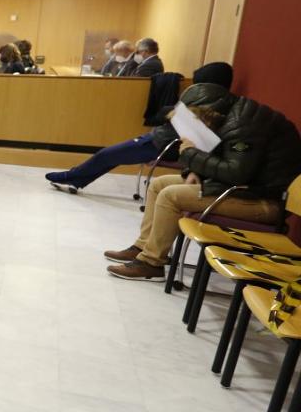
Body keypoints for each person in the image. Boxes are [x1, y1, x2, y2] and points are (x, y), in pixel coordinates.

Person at [105, 87, 301, 280]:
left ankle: (151, 263)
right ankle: (143, 247)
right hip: (239, 189)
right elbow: (221, 157)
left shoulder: (244, 126)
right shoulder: (228, 117)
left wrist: (190, 154)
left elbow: (236, 173)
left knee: (171, 195)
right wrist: (193, 170)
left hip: (263, 201)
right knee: (160, 184)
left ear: (207, 111)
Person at [45, 63, 235, 191]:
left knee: (106, 154)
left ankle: (72, 177)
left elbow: (167, 113)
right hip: (164, 138)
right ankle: (76, 180)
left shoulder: (208, 101)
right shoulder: (216, 99)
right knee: (109, 156)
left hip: (164, 143)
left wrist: (175, 112)